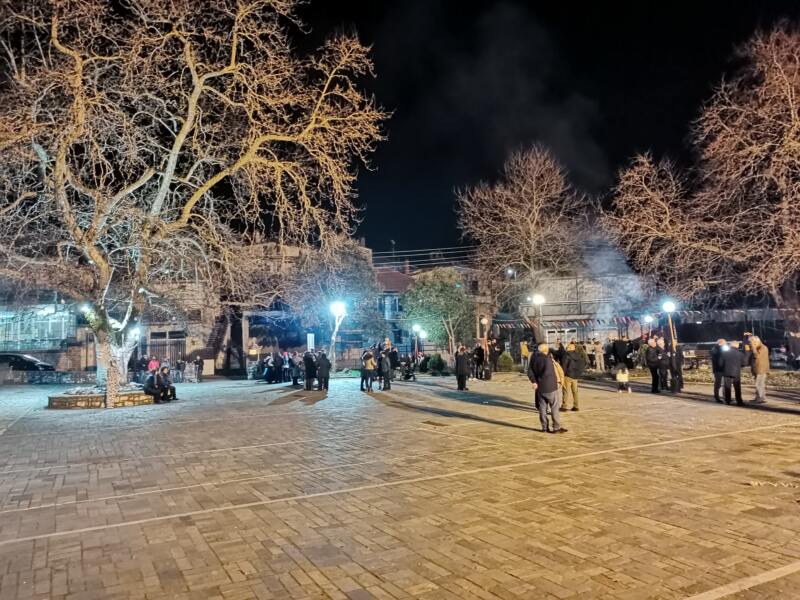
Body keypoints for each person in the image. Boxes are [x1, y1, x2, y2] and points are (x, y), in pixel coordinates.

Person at [527, 343, 567, 434]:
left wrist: (534, 381)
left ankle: (544, 427)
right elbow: (550, 374)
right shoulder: (547, 359)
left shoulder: (534, 358)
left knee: (542, 408)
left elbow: (530, 372)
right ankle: (556, 427)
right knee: (554, 407)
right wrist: (558, 383)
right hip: (550, 386)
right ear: (546, 350)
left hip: (539, 387)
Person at [561, 342, 585, 411]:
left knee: (565, 391)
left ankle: (564, 406)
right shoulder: (579, 355)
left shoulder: (566, 355)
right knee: (575, 391)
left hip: (567, 375)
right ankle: (576, 406)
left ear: (570, 348)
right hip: (575, 376)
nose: (567, 348)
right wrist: (579, 373)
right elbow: (582, 365)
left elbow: (564, 366)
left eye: (568, 347)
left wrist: (562, 375)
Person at [722, 341, 747, 405]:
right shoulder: (740, 354)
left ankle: (727, 400)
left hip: (726, 371)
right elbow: (744, 363)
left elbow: (720, 363)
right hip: (736, 372)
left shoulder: (725, 353)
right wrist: (739, 366)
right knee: (737, 387)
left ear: (730, 345)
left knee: (727, 386)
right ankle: (739, 401)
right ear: (737, 346)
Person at [749, 336, 769, 404]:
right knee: (760, 384)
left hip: (761, 369)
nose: (751, 344)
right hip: (757, 369)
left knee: (759, 384)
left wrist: (754, 348)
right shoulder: (758, 347)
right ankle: (760, 397)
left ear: (755, 342)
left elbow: (757, 356)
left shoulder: (763, 348)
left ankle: (760, 398)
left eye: (751, 342)